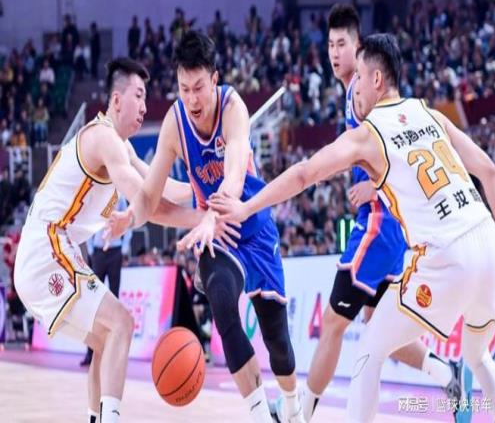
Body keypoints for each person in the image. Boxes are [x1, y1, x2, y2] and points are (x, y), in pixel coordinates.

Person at [207, 33, 495, 423]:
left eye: (359, 77)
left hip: (448, 255)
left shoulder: (368, 134)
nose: (355, 88)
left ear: (376, 79)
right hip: (488, 239)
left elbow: (305, 174)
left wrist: (246, 206)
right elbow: (489, 172)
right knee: (477, 355)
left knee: (370, 350)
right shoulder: (431, 114)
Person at [14, 57, 233, 423]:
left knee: (106, 340)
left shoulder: (121, 146)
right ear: (116, 100)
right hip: (47, 249)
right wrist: (201, 219)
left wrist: (205, 186)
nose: (145, 107)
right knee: (122, 324)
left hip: (49, 251)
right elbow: (145, 201)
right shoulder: (104, 139)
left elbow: (158, 185)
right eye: (139, 95)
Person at [106, 31, 305, 423]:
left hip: (251, 224)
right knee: (221, 302)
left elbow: (234, 174)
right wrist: (132, 216)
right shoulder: (174, 124)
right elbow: (151, 195)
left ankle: (293, 407)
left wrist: (212, 214)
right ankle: (261, 416)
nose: (192, 99)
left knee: (278, 343)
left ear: (215, 79)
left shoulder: (234, 108)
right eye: (184, 89)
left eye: (199, 87)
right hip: (219, 237)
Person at [279, 4, 463, 422]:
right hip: (387, 226)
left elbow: (397, 148)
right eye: (329, 45)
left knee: (332, 323)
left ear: (358, 48)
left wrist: (374, 185)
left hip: (378, 225)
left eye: (342, 44)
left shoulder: (365, 94)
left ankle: (299, 413)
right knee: (377, 323)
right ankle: (444, 370)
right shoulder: (352, 93)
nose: (334, 52)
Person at [80, 194, 132, 367]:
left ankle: (113, 353)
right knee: (94, 302)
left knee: (114, 301)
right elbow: (88, 223)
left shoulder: (121, 198)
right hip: (98, 251)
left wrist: (124, 248)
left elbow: (128, 221)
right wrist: (90, 250)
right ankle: (91, 352)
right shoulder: (96, 194)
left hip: (115, 251)